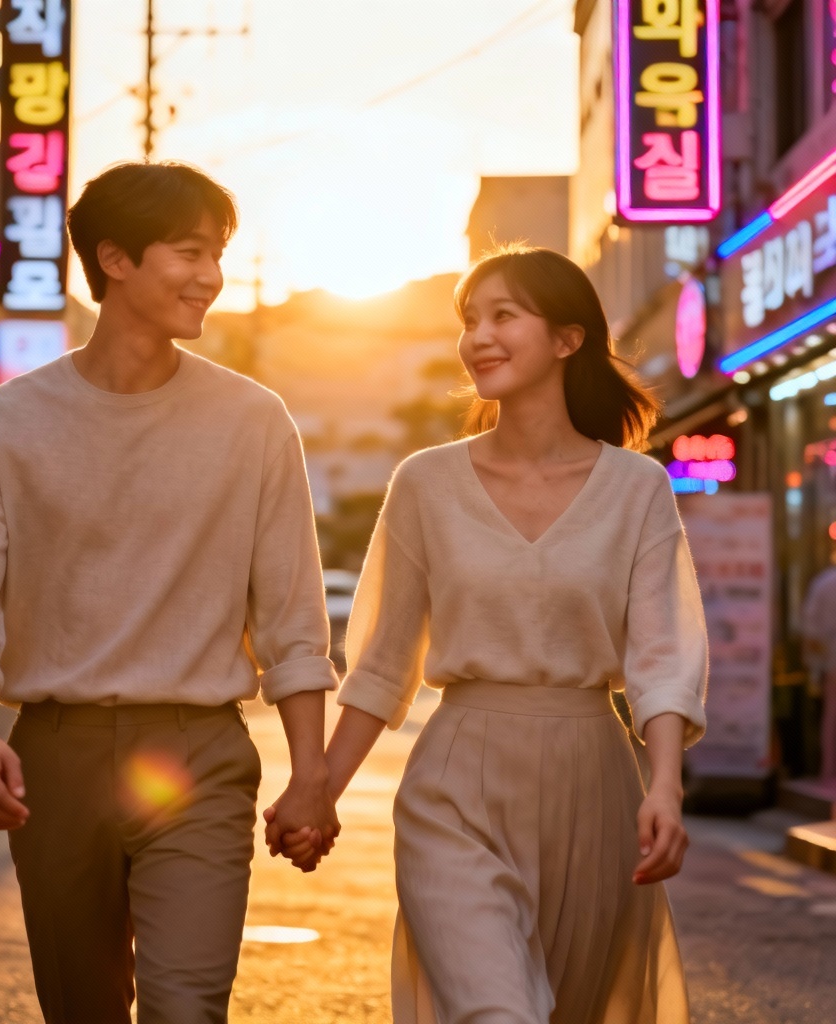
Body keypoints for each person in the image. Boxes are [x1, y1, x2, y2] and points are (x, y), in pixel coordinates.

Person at [0, 160, 339, 1024]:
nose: (212, 278)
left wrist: (312, 775)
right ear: (115, 259)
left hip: (198, 757)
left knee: (188, 1007)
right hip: (55, 760)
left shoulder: (254, 422)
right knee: (84, 1010)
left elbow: (295, 621)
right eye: (190, 252)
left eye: (218, 254)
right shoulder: (5, 424)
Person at [270, 244, 708, 1023]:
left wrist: (666, 785)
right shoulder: (425, 483)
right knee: (494, 1011)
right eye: (470, 320)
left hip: (593, 784)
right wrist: (319, 792)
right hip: (456, 780)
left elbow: (662, 654)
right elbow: (380, 665)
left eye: (504, 315)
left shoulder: (637, 488)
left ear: (568, 340)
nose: (478, 337)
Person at [802, 553, 836, 780]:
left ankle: (828, 770)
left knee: (831, 715)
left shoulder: (823, 582)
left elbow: (810, 627)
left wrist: (815, 666)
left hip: (832, 661)